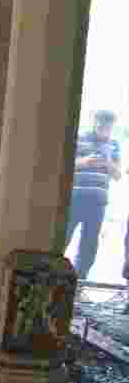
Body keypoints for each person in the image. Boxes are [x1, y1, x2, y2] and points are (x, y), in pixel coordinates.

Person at [65, 109, 121, 281]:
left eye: (107, 126)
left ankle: (79, 281)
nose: (103, 128)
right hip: (75, 199)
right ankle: (56, 277)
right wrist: (86, 161)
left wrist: (108, 162)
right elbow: (66, 164)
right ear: (94, 122)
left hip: (98, 203)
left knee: (89, 245)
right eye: (100, 124)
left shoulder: (114, 145)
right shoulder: (80, 139)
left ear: (112, 127)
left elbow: (117, 175)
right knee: (63, 238)